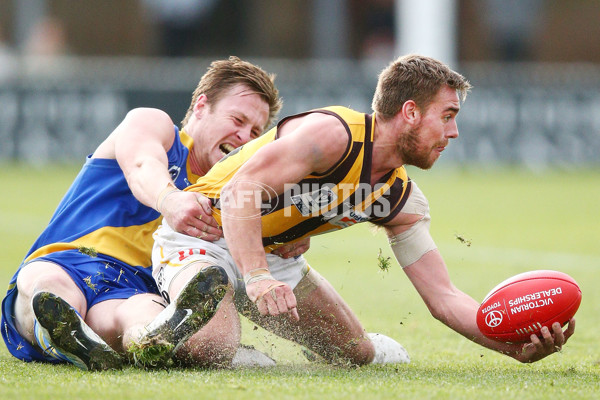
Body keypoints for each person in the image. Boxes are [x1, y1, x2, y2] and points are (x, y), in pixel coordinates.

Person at [150, 54, 575, 366]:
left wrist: (511, 343)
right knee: (212, 348)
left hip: (270, 256)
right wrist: (257, 276)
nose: (454, 132)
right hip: (202, 236)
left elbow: (443, 297)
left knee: (356, 353)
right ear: (410, 112)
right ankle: (194, 338)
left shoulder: (399, 198)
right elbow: (239, 193)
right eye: (446, 116)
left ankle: (234, 343)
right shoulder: (331, 134)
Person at [1, 56, 291, 370]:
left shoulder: (232, 191)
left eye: (255, 132)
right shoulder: (154, 125)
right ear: (202, 106)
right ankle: (58, 333)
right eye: (237, 120)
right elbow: (143, 166)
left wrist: (294, 235)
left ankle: (141, 342)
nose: (245, 138)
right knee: (49, 284)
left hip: (134, 288)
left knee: (142, 318)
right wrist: (170, 200)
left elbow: (269, 227)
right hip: (68, 258)